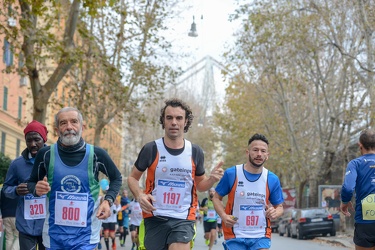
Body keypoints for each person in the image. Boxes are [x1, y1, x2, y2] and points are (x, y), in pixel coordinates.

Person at [127, 98, 224, 250]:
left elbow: (200, 185)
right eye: (169, 117)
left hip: (183, 217)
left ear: (185, 122)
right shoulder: (151, 149)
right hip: (154, 216)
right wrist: (139, 195)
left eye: (179, 118)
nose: (174, 122)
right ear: (163, 121)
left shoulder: (195, 151)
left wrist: (211, 179)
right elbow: (132, 177)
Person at [27, 107, 122, 250]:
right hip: (54, 235)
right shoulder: (45, 154)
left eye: (74, 122)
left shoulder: (97, 154)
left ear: (82, 127)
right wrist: (36, 189)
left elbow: (116, 178)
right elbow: (31, 183)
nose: (69, 127)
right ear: (57, 129)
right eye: (63, 123)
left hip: (86, 235)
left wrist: (108, 201)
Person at [212, 133, 284, 250]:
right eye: (255, 150)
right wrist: (224, 216)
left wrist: (275, 212)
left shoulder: (272, 179)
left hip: (261, 234)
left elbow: (279, 206)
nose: (259, 154)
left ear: (267, 155)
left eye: (263, 151)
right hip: (235, 233)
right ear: (248, 152)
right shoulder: (232, 174)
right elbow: (216, 197)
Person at [3, 120, 48, 250]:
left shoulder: (53, 161)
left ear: (44, 139)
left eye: (36, 139)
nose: (33, 144)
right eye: (29, 140)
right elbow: (6, 189)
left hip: (48, 225)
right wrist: (16, 190)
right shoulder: (17, 164)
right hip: (26, 225)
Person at [340, 129, 375, 250]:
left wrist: (345, 202)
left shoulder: (355, 164)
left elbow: (348, 188)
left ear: (360, 145)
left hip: (365, 222)